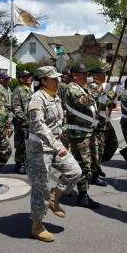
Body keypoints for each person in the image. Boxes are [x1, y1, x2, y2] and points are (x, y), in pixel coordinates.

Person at [25, 66, 81, 242]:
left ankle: (54, 198)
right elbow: (38, 126)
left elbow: (57, 122)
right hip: (39, 148)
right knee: (40, 188)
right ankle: (37, 226)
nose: (58, 81)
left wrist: (63, 137)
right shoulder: (37, 98)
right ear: (43, 81)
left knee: (75, 171)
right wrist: (57, 145)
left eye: (58, 78)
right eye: (54, 78)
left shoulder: (55, 97)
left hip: (56, 145)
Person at [65, 63, 101, 209]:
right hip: (78, 134)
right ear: (74, 75)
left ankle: (66, 182)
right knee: (83, 165)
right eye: (83, 74)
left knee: (91, 162)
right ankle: (82, 196)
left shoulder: (83, 87)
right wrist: (98, 91)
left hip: (88, 132)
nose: (86, 77)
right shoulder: (72, 88)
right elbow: (83, 102)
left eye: (87, 73)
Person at [90, 67, 118, 184]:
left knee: (113, 144)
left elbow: (111, 104)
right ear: (95, 75)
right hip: (98, 124)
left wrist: (116, 94)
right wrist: (111, 92)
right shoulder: (94, 86)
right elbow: (102, 101)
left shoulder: (105, 86)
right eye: (101, 74)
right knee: (99, 150)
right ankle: (95, 174)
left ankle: (97, 165)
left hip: (106, 122)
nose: (104, 76)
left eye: (105, 74)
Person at [11, 70, 33, 174]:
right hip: (22, 123)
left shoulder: (29, 91)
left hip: (30, 123)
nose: (29, 78)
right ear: (21, 79)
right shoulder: (18, 90)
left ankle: (26, 162)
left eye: (29, 76)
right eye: (26, 77)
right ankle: (19, 164)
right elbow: (16, 108)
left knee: (28, 144)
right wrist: (25, 119)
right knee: (21, 144)